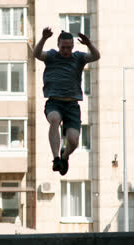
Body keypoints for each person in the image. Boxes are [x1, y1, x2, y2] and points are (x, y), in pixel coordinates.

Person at [33, 28, 100, 175]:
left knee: (73, 140)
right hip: (54, 102)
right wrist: (43, 38)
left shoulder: (78, 58)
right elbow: (37, 54)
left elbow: (96, 56)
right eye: (63, 47)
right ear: (58, 45)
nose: (66, 50)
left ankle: (64, 156)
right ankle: (56, 158)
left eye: (69, 47)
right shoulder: (52, 56)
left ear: (73, 47)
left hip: (72, 105)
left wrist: (89, 44)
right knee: (54, 119)